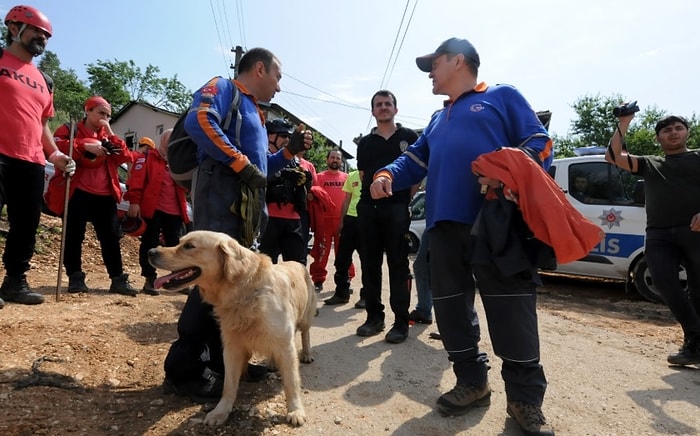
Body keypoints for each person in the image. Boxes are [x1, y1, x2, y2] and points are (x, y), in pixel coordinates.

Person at [369, 38, 555, 435]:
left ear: (458, 62)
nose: (429, 74)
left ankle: (524, 401)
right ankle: (472, 382)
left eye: (433, 65)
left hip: (496, 222)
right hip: (443, 226)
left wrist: (504, 173)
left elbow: (540, 143)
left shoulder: (501, 97)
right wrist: (386, 174)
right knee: (452, 310)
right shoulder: (438, 119)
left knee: (511, 312)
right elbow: (414, 159)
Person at [162, 47, 313, 403]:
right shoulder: (223, 89)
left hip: (242, 221)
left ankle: (226, 363)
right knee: (207, 288)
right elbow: (199, 122)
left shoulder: (256, 114)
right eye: (277, 77)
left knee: (229, 293)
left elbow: (260, 172)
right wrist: (238, 161)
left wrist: (288, 153)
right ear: (259, 69)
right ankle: (182, 370)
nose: (279, 87)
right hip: (218, 212)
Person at [606, 113, 700, 366]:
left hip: (695, 231)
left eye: (678, 128)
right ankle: (696, 337)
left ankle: (693, 345)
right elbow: (613, 157)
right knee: (662, 281)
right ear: (658, 137)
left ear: (686, 132)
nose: (673, 132)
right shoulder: (651, 163)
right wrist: (623, 122)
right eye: (667, 130)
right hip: (658, 233)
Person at [0, 5, 75, 308]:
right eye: (36, 31)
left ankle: (14, 282)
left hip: (30, 161)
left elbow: (42, 122)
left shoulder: (45, 80)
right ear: (14, 28)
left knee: (26, 224)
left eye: (46, 35)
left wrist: (54, 154)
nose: (41, 38)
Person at [46, 96, 138, 296]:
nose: (104, 118)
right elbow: (55, 145)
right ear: (88, 111)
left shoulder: (108, 135)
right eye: (100, 113)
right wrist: (84, 146)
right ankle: (75, 277)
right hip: (77, 190)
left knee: (111, 237)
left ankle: (117, 279)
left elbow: (125, 156)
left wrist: (110, 132)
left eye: (108, 115)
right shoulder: (71, 129)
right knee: (74, 235)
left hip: (105, 194)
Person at [355, 90, 419, 344]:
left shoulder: (408, 137)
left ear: (395, 109)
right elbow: (363, 177)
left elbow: (415, 174)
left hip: (397, 209)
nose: (383, 108)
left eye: (387, 104)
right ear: (372, 111)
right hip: (369, 209)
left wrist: (403, 201)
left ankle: (401, 322)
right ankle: (374, 318)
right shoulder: (366, 143)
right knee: (370, 265)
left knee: (398, 265)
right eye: (378, 105)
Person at [124, 129, 191, 295]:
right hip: (152, 209)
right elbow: (136, 181)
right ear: (163, 140)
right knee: (149, 243)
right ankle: (150, 279)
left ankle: (177, 279)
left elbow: (187, 185)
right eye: (170, 138)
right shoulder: (147, 157)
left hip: (174, 210)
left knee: (176, 245)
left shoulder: (179, 161)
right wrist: (134, 202)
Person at [258, 119, 312, 265]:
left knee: (298, 265)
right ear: (270, 136)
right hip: (268, 219)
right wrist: (282, 174)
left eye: (289, 137)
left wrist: (307, 179)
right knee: (265, 266)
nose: (287, 140)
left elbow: (307, 190)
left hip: (293, 219)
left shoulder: (294, 159)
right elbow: (258, 176)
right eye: (283, 135)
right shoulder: (261, 154)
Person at [309, 150, 351, 291]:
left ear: (341, 161)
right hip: (324, 220)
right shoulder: (318, 177)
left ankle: (346, 278)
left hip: (342, 221)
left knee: (344, 251)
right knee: (321, 251)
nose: (335, 160)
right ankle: (318, 280)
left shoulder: (347, 178)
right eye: (332, 157)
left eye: (338, 158)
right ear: (327, 159)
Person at [325, 169, 364, 306]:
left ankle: (366, 297)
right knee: (342, 259)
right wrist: (342, 221)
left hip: (367, 221)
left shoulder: (376, 172)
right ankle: (341, 293)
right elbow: (347, 199)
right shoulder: (352, 175)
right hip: (350, 221)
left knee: (368, 261)